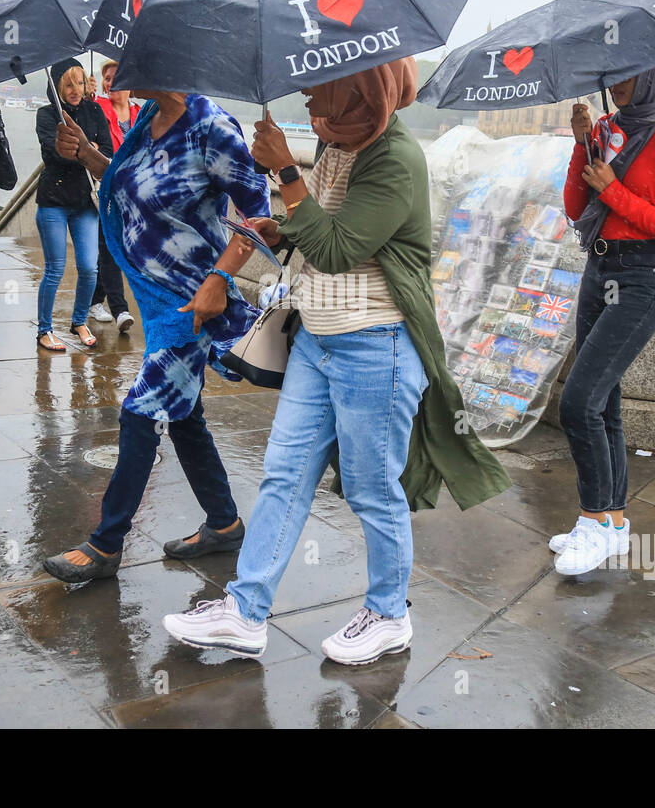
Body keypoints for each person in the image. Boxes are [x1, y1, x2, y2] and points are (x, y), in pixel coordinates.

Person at [161, 59, 512, 665]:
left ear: (359, 92)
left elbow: (339, 246)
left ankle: (389, 614)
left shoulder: (396, 158)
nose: (305, 99)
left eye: (319, 90)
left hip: (376, 347)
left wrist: (283, 171)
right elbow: (318, 225)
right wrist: (282, 227)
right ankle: (246, 611)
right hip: (318, 343)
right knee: (284, 474)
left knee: (374, 490)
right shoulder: (337, 143)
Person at [41, 90, 271, 583]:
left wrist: (220, 280)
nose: (120, 70)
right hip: (157, 297)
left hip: (193, 303)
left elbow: (260, 215)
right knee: (184, 417)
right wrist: (87, 153)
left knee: (141, 411)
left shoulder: (211, 127)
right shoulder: (148, 118)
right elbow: (129, 189)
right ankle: (225, 523)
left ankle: (105, 545)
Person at [550, 56, 655, 576]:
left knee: (578, 403)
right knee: (603, 402)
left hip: (644, 278)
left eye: (627, 72)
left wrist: (614, 190)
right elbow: (576, 207)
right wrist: (581, 144)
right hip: (600, 267)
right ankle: (612, 524)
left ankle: (593, 518)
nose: (614, 79)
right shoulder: (610, 129)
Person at [33, 58, 112, 351]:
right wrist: (85, 150)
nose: (75, 89)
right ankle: (44, 329)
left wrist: (82, 147)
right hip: (53, 200)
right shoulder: (47, 115)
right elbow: (53, 155)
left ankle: (79, 321)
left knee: (89, 268)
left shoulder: (94, 111)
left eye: (79, 82)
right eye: (68, 84)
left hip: (85, 202)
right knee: (55, 268)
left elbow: (107, 150)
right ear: (56, 87)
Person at [89, 59, 136, 331]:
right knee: (110, 247)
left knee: (113, 247)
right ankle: (120, 309)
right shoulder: (98, 107)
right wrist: (87, 93)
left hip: (133, 192)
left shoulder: (141, 113)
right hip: (107, 189)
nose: (111, 83)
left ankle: (93, 300)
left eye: (117, 77)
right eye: (107, 78)